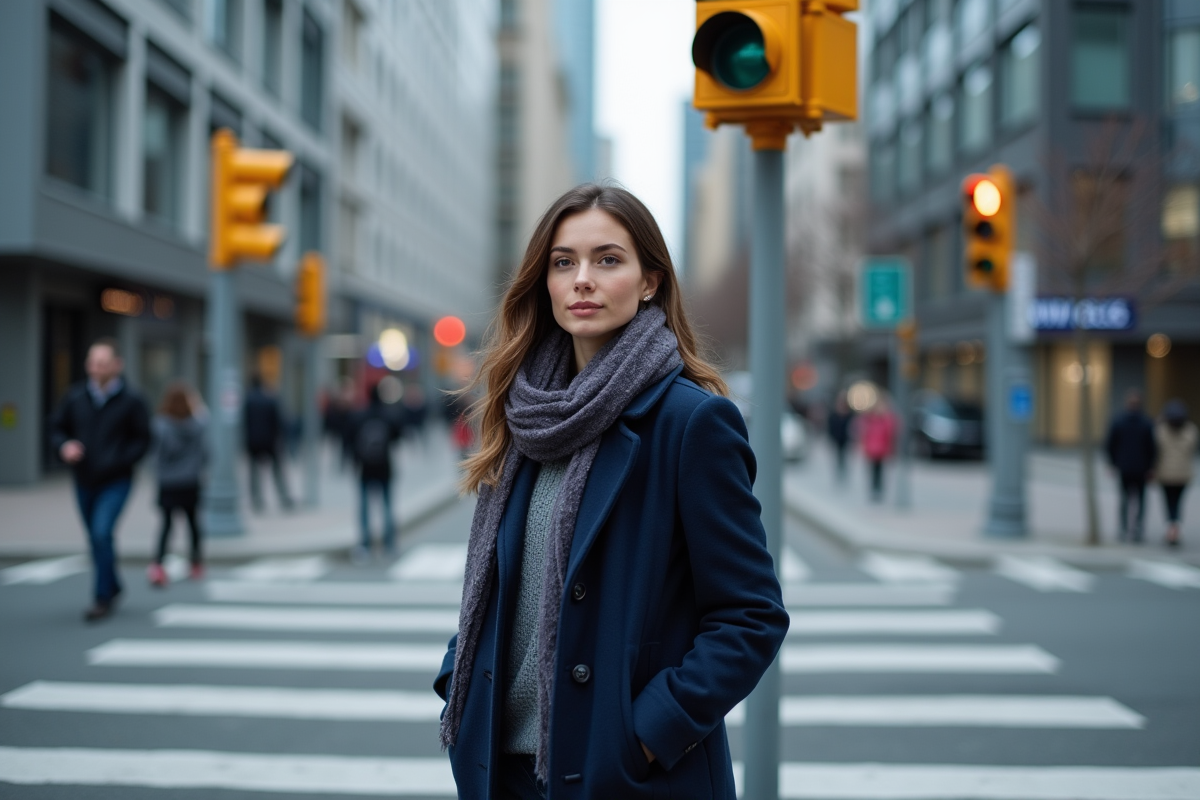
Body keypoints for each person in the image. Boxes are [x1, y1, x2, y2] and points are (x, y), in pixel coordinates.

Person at [433, 185, 788, 799]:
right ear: (544, 282)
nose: (583, 280)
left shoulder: (692, 423)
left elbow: (751, 616)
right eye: (564, 262)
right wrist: (457, 678)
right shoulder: (527, 416)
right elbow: (498, 588)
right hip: (502, 770)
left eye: (608, 259)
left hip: (621, 777)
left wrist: (644, 735)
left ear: (650, 281)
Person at [48, 338, 151, 621]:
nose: (96, 368)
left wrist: (120, 459)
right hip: (84, 478)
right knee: (96, 538)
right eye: (92, 362)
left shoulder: (132, 400)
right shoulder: (75, 396)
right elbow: (57, 427)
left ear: (117, 365)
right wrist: (64, 446)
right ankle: (113, 584)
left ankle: (101, 598)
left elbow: (143, 439)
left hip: (116, 479)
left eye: (103, 363)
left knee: (101, 532)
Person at [147, 382, 208, 587]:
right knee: (193, 524)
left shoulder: (160, 425)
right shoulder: (197, 424)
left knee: (166, 525)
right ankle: (196, 563)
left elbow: (155, 455)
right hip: (190, 481)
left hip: (168, 482)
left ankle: (158, 566)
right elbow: (206, 453)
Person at [348, 382, 403, 562]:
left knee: (364, 507)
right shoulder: (388, 414)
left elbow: (351, 439)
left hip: (365, 467)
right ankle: (389, 544)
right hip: (385, 466)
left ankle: (365, 544)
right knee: (387, 506)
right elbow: (397, 436)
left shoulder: (359, 415)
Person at [1105, 389, 1157, 543]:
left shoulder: (1119, 420)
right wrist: (1151, 466)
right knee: (1140, 500)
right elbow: (1152, 447)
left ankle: (1123, 529)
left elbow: (1110, 444)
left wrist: (1112, 463)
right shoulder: (1146, 422)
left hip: (1124, 467)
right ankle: (1138, 529)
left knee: (1125, 500)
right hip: (1141, 468)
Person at [243, 373, 293, 511]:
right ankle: (284, 498)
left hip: (253, 441)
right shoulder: (270, 399)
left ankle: (257, 500)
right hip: (270, 441)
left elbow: (244, 424)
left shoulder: (248, 400)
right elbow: (280, 422)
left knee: (254, 473)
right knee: (277, 471)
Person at [1155, 399, 1197, 548]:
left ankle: (1171, 531)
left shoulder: (1162, 430)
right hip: (1183, 474)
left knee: (1169, 503)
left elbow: (1156, 447)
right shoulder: (1190, 431)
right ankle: (1175, 530)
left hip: (1166, 474)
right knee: (1178, 503)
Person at [858, 394, 896, 502]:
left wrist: (890, 450)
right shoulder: (870, 419)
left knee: (881, 471)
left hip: (882, 450)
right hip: (872, 449)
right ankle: (873, 489)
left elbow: (891, 435)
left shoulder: (886, 420)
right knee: (873, 471)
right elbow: (865, 434)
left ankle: (879, 490)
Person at [826, 391, 854, 483]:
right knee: (838, 457)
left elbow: (852, 427)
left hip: (845, 439)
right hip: (836, 439)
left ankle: (843, 473)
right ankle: (838, 473)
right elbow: (830, 427)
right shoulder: (834, 414)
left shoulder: (849, 414)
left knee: (844, 457)